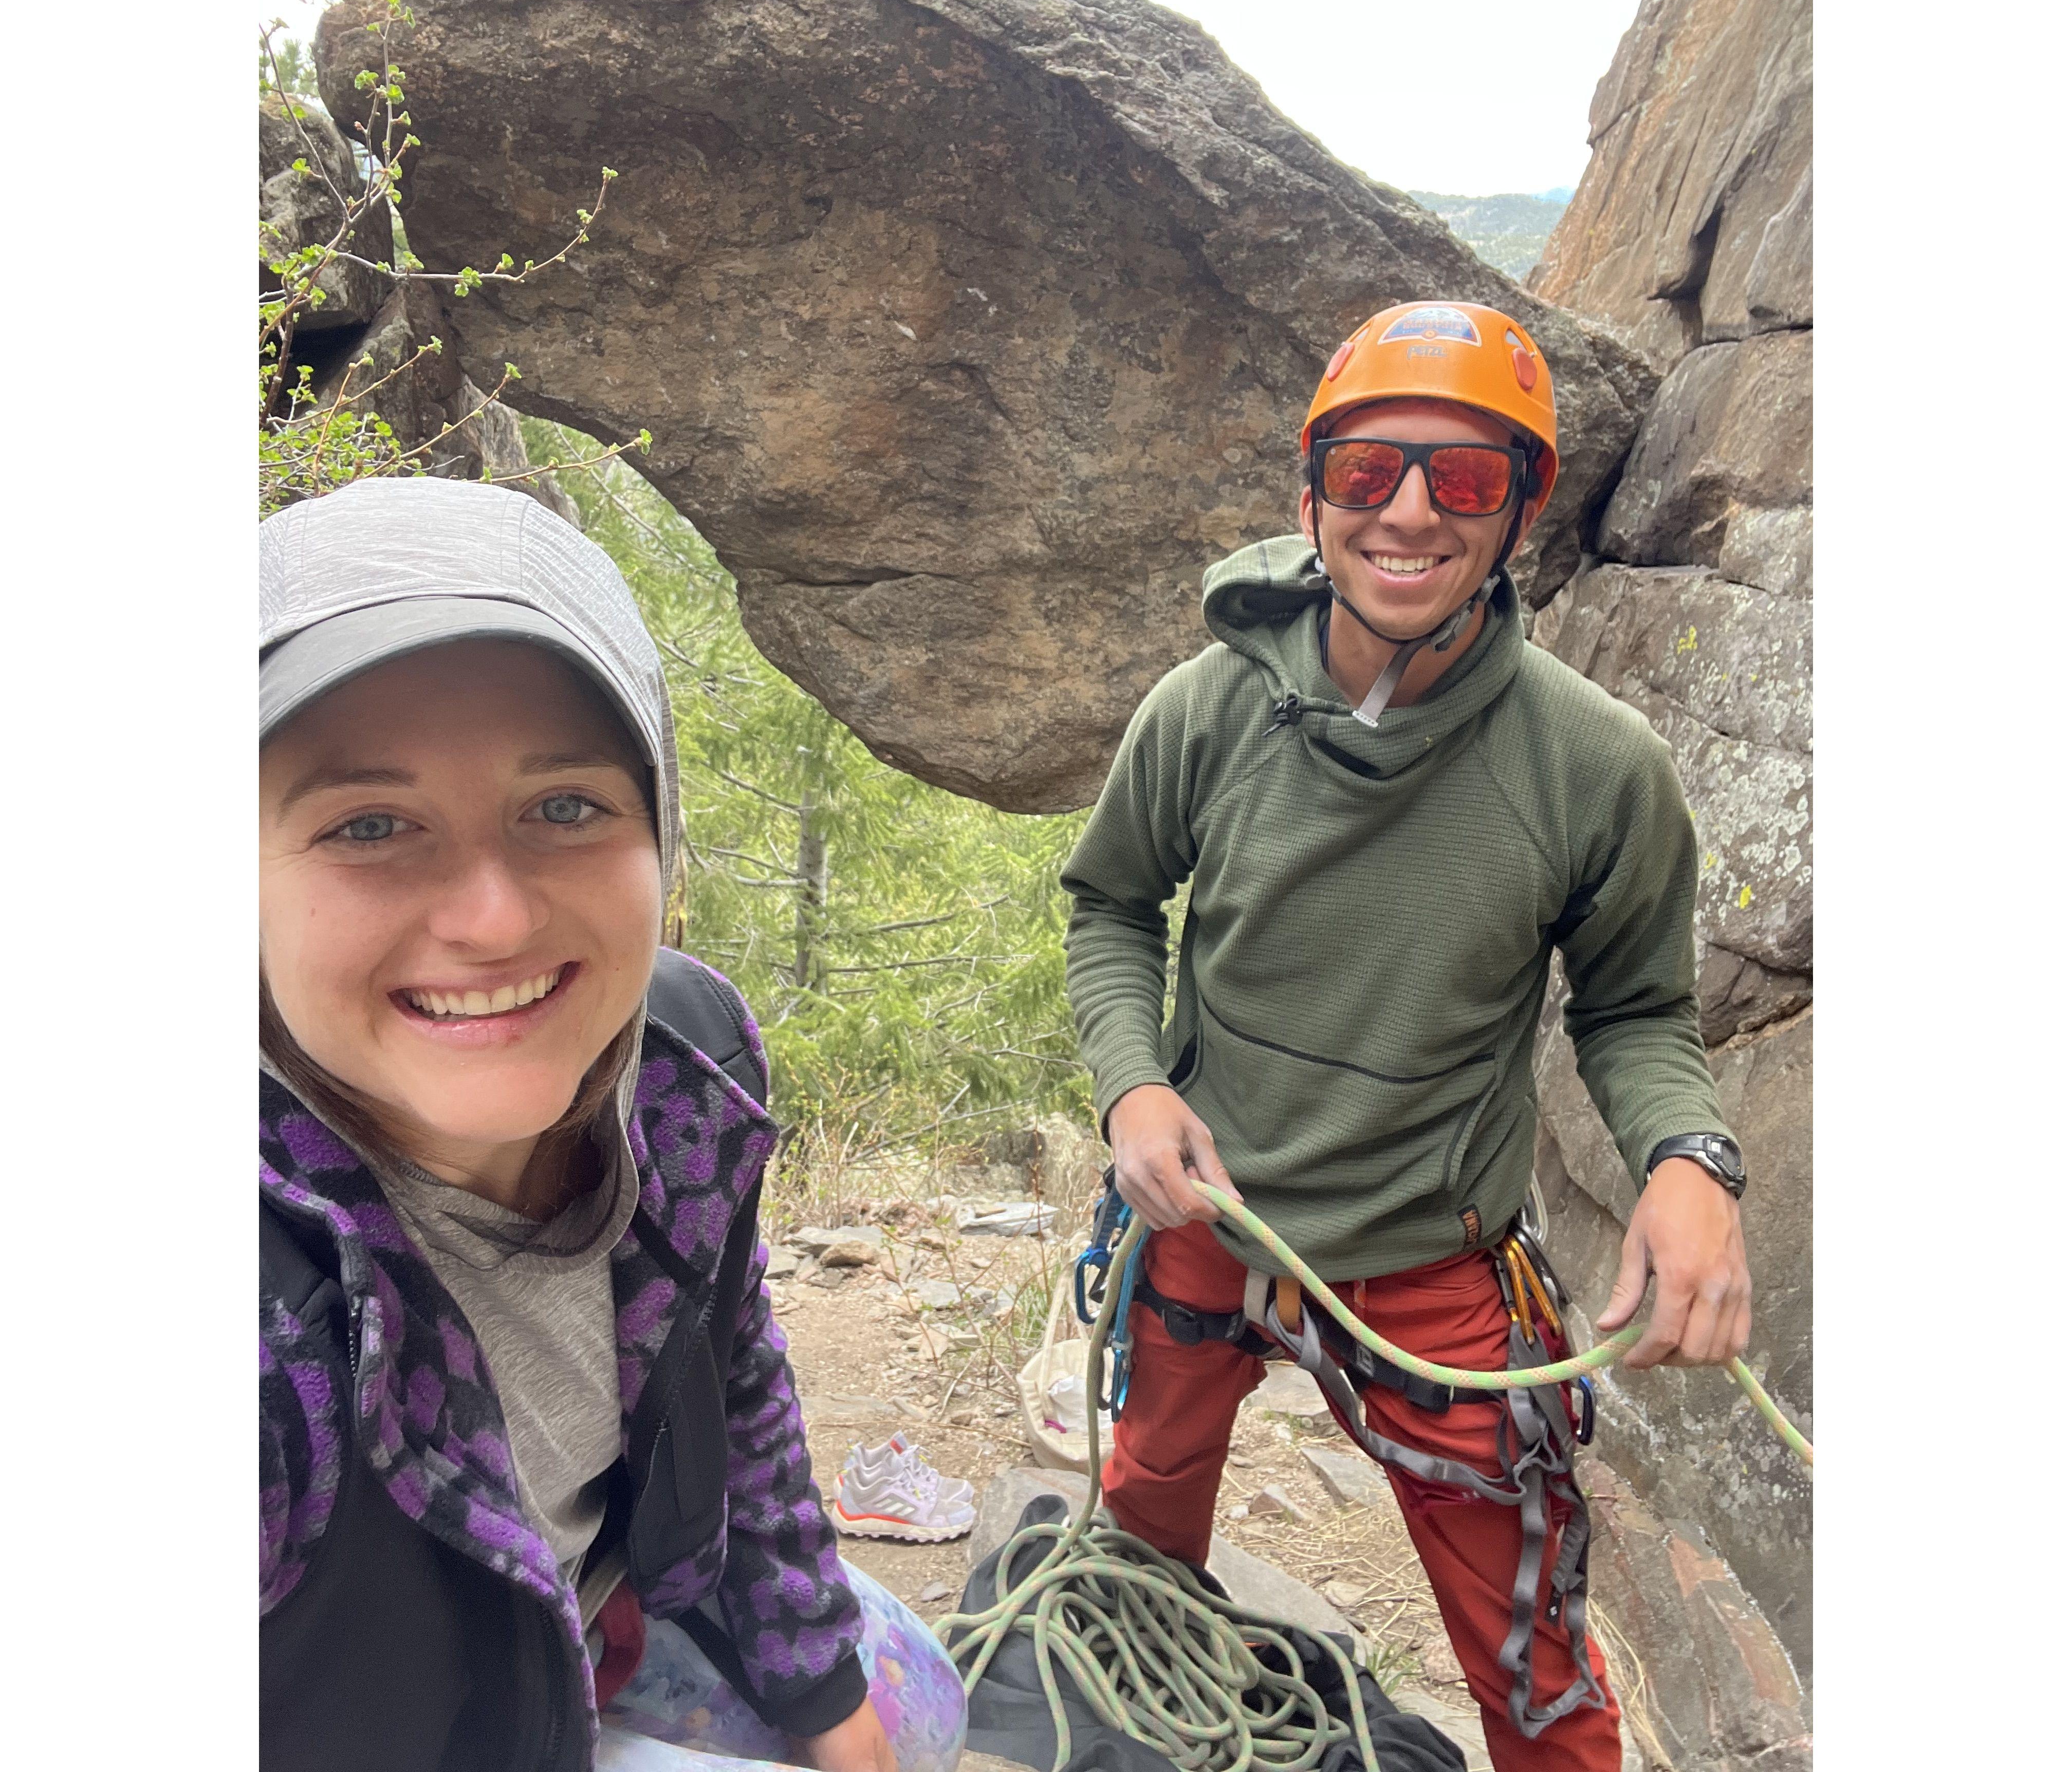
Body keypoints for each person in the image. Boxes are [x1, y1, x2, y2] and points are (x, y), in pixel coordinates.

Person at [1059, 301, 1753, 1772]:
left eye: (1468, 479)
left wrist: (1689, 1163)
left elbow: (1635, 1008)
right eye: (1370, 472)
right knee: (1143, 1529)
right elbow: (1112, 907)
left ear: (1522, 513)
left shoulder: (1593, 767)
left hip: (1434, 1265)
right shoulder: (1206, 713)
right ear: (1310, 497)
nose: (1413, 513)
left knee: (1535, 1667)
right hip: (1208, 1216)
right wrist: (1132, 1091)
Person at [258, 477, 968, 1772]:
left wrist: (825, 1705)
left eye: (567, 807)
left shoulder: (680, 1067)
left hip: (591, 1634)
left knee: (916, 1703)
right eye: (369, 825)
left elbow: (737, 1375)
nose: (494, 918)